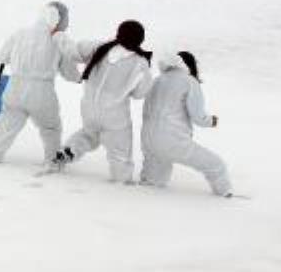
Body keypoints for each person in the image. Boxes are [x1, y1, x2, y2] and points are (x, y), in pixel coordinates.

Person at [53, 19, 153, 181]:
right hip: (115, 117)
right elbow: (139, 93)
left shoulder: (100, 48)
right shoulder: (139, 64)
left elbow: (72, 51)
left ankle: (68, 151)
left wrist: (58, 35)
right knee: (120, 153)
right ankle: (122, 182)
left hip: (89, 108)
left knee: (88, 134)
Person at [0, 1, 81, 165]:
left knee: (7, 127)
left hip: (15, 86)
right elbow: (68, 71)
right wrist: (79, 78)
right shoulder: (58, 39)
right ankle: (52, 162)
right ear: (58, 19)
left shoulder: (20, 33)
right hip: (42, 91)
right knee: (50, 128)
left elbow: (4, 56)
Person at [140, 51, 233, 197]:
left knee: (154, 181)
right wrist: (211, 121)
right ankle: (225, 193)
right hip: (173, 140)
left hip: (148, 140)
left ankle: (138, 201)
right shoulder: (189, 81)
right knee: (216, 165)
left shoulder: (157, 80)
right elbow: (198, 117)